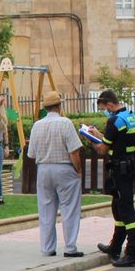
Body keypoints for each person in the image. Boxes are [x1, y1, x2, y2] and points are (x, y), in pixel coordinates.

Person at [27, 90, 85, 257]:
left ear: (45, 107)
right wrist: (78, 169)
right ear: (59, 106)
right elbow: (74, 151)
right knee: (69, 208)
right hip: (64, 168)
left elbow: (31, 154)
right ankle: (70, 247)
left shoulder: (37, 125)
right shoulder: (65, 123)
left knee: (45, 209)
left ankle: (47, 248)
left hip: (43, 168)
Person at [90, 89, 135, 267]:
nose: (105, 111)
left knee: (126, 210)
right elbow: (117, 141)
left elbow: (104, 149)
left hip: (121, 169)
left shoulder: (114, 121)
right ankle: (115, 246)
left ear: (110, 105)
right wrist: (99, 135)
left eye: (104, 108)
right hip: (130, 165)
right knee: (118, 207)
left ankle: (132, 253)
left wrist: (92, 140)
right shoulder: (131, 116)